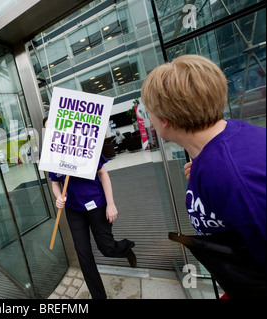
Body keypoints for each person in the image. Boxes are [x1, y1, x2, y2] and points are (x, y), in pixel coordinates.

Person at [141, 54, 266, 298]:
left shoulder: (233, 176)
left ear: (165, 120)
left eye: (150, 113)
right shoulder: (220, 149)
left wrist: (217, 175)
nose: (149, 120)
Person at [43, 117, 137, 299]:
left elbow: (103, 174)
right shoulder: (52, 155)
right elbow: (55, 183)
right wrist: (58, 197)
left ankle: (126, 249)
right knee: (83, 255)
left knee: (107, 248)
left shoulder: (84, 146)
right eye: (48, 130)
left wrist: (111, 204)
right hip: (73, 210)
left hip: (97, 205)